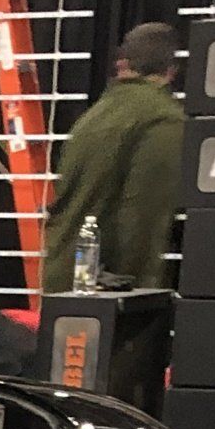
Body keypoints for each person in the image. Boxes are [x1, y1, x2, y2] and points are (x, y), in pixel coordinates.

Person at [39, 21, 186, 296]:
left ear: (121, 64)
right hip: (111, 293)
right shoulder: (162, 118)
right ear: (171, 71)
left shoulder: (91, 117)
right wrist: (137, 291)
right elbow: (142, 216)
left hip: (65, 279)